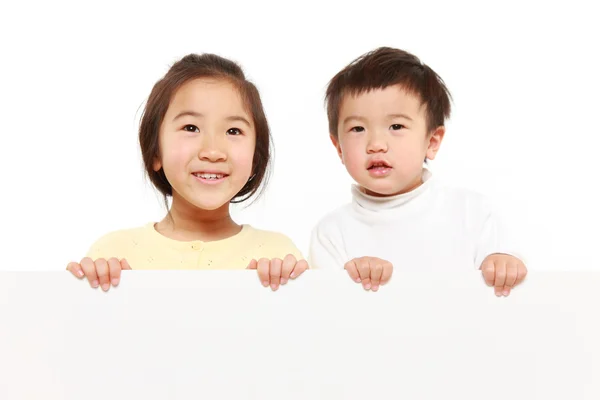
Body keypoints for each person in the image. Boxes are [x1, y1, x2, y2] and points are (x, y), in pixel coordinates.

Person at [67, 53, 308, 292]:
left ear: (255, 157)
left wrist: (274, 295)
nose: (213, 151)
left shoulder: (278, 257)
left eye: (233, 131)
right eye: (191, 127)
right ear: (155, 152)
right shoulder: (112, 255)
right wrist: (88, 293)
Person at [309, 47, 527, 296]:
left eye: (396, 126)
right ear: (338, 147)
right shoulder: (331, 233)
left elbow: (512, 283)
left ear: (432, 142)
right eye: (358, 129)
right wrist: (350, 282)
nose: (376, 144)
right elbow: (324, 314)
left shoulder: (472, 213)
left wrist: (503, 263)